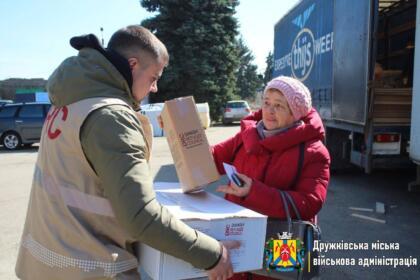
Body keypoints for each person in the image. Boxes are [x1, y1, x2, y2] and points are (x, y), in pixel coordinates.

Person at [15, 25, 238, 280]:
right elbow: (140, 217)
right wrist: (213, 254)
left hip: (45, 263)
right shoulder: (112, 116)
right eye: (154, 77)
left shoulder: (73, 98)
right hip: (89, 269)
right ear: (133, 65)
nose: (154, 88)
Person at [212, 76, 330, 279]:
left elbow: (309, 203)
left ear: (296, 113)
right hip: (237, 235)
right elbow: (211, 159)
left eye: (279, 106)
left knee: (276, 277)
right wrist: (180, 133)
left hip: (283, 240)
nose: (269, 110)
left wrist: (253, 192)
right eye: (266, 102)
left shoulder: (314, 151)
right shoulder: (247, 136)